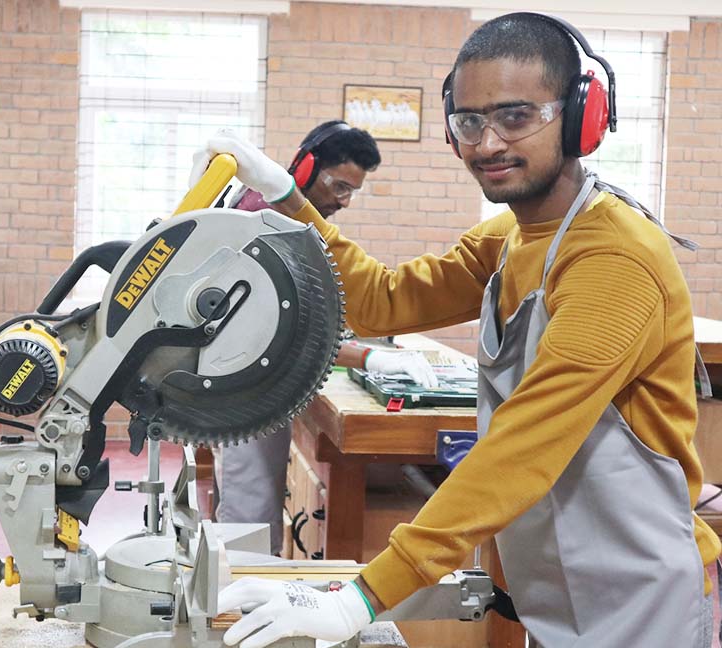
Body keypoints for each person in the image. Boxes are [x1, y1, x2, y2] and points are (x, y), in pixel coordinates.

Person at [194, 13, 721, 648]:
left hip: (638, 596)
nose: (488, 142)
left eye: (517, 116)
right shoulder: (510, 237)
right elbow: (380, 298)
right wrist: (285, 195)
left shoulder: (613, 259)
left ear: (583, 116)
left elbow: (523, 444)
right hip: (553, 581)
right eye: (470, 122)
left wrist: (365, 592)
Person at [190, 120, 438, 556]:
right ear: (304, 168)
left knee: (251, 501)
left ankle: (240, 587)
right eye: (339, 185)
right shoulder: (262, 218)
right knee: (251, 505)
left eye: (352, 191)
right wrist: (368, 358)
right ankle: (236, 604)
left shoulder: (283, 216)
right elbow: (280, 331)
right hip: (247, 381)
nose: (343, 200)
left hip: (255, 379)